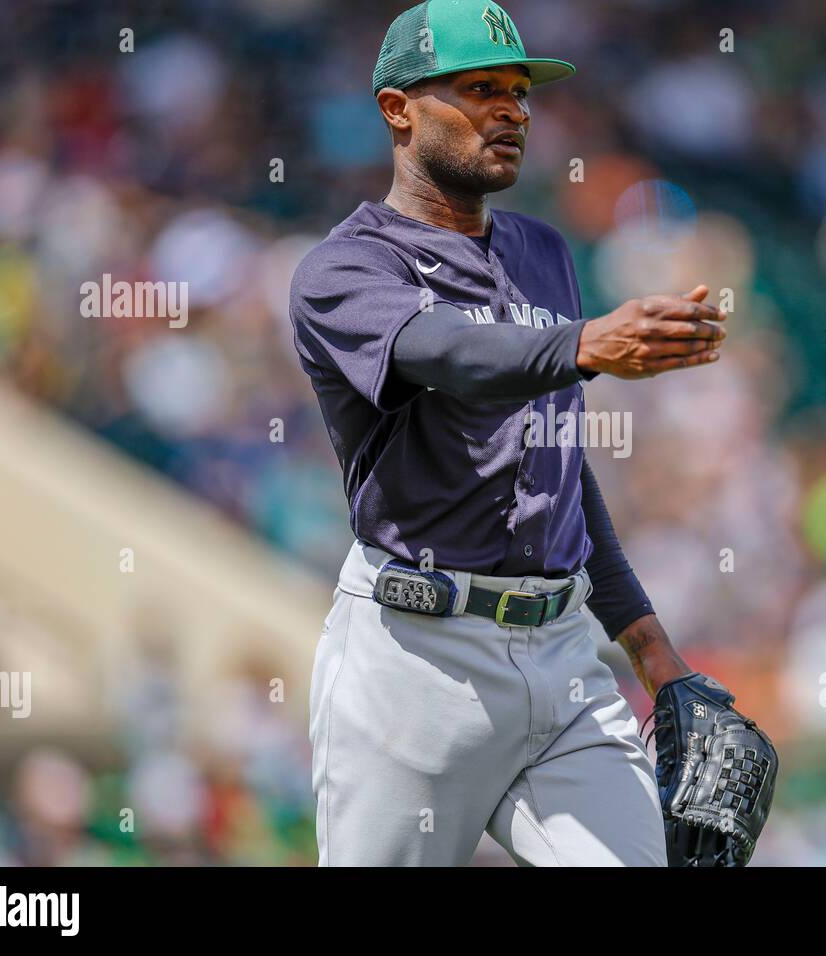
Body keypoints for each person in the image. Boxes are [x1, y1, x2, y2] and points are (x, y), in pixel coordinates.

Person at [289, 0, 727, 866]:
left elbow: (563, 478)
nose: (513, 111)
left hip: (563, 662)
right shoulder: (346, 267)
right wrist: (585, 344)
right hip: (414, 665)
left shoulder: (543, 252)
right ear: (397, 108)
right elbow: (448, 353)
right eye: (481, 89)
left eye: (521, 94)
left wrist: (653, 652)